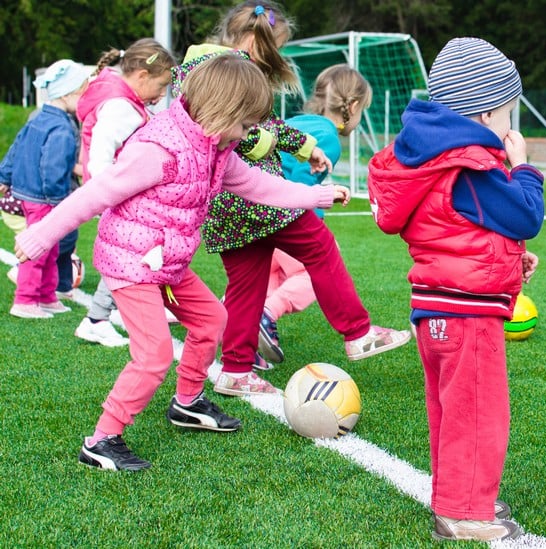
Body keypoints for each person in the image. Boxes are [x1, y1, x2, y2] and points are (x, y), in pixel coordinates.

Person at [13, 54, 351, 471]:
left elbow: (257, 185)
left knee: (213, 320)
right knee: (154, 354)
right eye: (246, 125)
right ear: (222, 111)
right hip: (131, 263)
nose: (249, 135)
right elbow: (96, 193)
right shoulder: (158, 149)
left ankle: (187, 403)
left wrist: (316, 195)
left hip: (167, 263)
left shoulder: (216, 147)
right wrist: (40, 235)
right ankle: (101, 440)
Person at [172, 1, 410, 394]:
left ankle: (234, 370)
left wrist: (305, 148)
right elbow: (236, 131)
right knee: (319, 247)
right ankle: (358, 332)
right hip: (254, 196)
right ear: (253, 40)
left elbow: (265, 123)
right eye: (274, 47)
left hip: (224, 205)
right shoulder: (225, 70)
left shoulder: (202, 66)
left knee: (247, 283)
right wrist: (271, 146)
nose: (275, 57)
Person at [367, 37, 545, 542]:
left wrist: (510, 261)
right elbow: (525, 214)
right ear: (486, 112)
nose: (512, 126)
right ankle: (464, 512)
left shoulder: (432, 160)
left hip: (437, 308)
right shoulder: (470, 165)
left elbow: (458, 230)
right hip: (467, 316)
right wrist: (524, 167)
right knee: (477, 414)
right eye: (510, 113)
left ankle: (458, 495)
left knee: (451, 412)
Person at [256, 64, 373, 366]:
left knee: (268, 275)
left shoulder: (296, 122)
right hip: (284, 215)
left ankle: (240, 324)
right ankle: (267, 315)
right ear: (354, 106)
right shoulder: (329, 139)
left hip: (255, 212)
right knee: (313, 272)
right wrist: (315, 216)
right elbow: (300, 184)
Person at [73, 38, 176, 347]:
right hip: (119, 196)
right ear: (142, 76)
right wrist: (111, 193)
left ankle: (106, 314)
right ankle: (96, 318)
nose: (161, 97)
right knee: (130, 255)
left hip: (119, 194)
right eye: (160, 86)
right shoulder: (121, 108)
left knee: (137, 252)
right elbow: (101, 155)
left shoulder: (123, 100)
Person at [1, 59, 90, 319]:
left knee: (51, 248)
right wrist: (58, 201)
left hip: (33, 194)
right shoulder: (62, 127)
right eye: (83, 93)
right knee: (39, 250)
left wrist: (4, 175)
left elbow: (15, 147)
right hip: (45, 198)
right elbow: (53, 166)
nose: (84, 100)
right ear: (69, 94)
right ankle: (25, 300)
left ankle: (46, 296)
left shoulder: (39, 118)